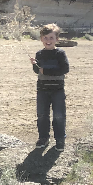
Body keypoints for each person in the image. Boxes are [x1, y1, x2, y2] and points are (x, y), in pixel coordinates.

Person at [28, 23, 69, 151]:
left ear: (57, 39)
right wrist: (34, 64)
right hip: (42, 90)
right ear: (41, 39)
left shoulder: (60, 53)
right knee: (42, 115)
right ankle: (43, 138)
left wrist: (44, 71)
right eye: (45, 38)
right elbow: (37, 71)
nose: (48, 41)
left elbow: (64, 69)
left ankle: (60, 139)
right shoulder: (39, 54)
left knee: (59, 116)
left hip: (57, 90)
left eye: (51, 38)